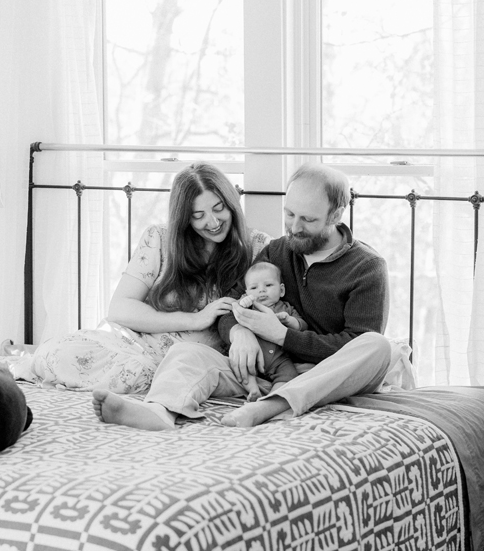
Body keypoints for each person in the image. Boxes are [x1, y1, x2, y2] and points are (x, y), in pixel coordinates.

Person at [92, 162, 392, 430]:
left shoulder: (367, 268)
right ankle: (158, 410)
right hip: (263, 369)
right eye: (289, 214)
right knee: (186, 354)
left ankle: (271, 407)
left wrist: (284, 336)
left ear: (336, 215)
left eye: (308, 220)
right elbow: (232, 303)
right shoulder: (278, 250)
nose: (294, 228)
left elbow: (357, 344)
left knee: (378, 347)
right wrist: (237, 332)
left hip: (323, 375)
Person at [22, 162, 271, 394]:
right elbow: (120, 309)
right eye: (198, 215)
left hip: (191, 361)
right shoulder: (160, 240)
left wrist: (242, 332)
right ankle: (155, 384)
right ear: (184, 218)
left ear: (232, 204)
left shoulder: (259, 248)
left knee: (171, 373)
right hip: (134, 346)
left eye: (219, 208)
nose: (213, 222)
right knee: (55, 352)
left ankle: (161, 387)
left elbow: (274, 307)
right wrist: (195, 319)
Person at [236, 261, 306, 401]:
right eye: (254, 287)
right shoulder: (250, 308)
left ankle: (273, 397)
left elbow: (302, 325)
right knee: (241, 367)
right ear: (247, 293)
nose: (261, 290)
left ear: (281, 290)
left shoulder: (286, 308)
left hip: (279, 359)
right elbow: (236, 313)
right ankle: (253, 390)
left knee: (289, 375)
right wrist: (242, 303)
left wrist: (289, 321)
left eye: (268, 285)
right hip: (252, 354)